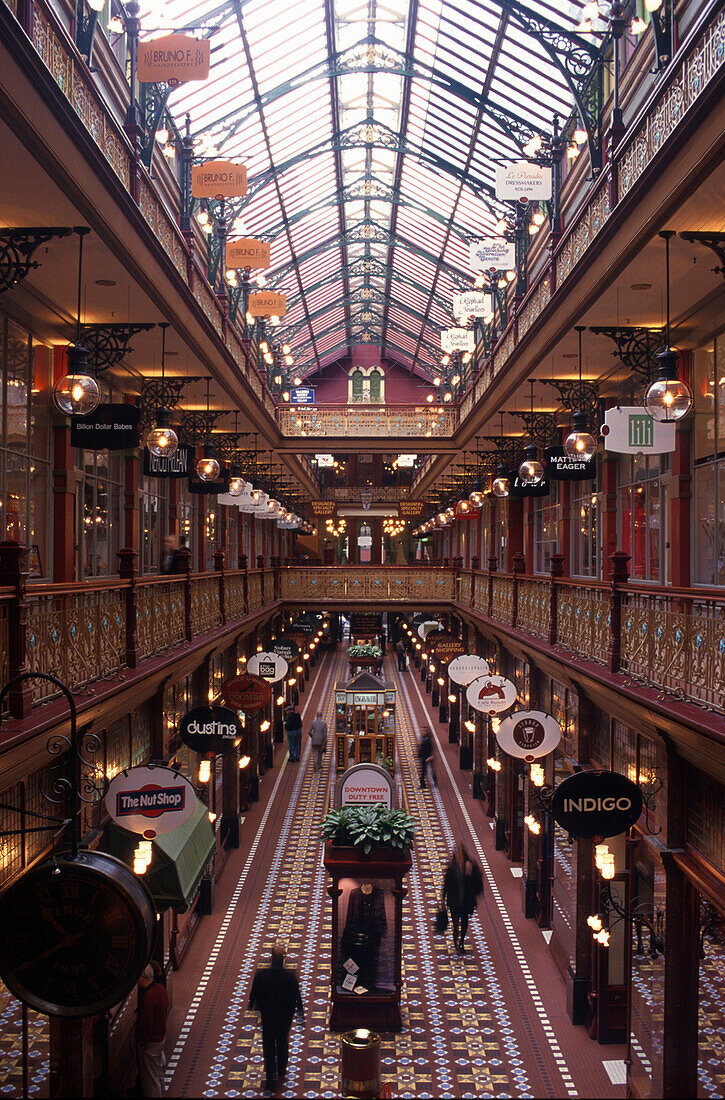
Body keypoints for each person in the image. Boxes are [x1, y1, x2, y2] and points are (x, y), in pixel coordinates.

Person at [248, 944, 304, 1092]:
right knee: (282, 1040)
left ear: (271, 957)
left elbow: (254, 993)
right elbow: (297, 995)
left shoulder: (261, 974)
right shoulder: (289, 976)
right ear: (283, 959)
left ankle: (270, 1074)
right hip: (285, 1016)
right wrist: (300, 1013)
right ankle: (281, 1069)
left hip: (268, 1014)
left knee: (268, 1043)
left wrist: (252, 1006)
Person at [441, 843, 484, 954]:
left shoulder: (470, 865)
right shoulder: (452, 867)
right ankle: (456, 941)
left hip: (466, 900)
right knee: (455, 924)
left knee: (464, 923)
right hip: (454, 899)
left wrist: (468, 874)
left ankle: (462, 942)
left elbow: (477, 880)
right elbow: (447, 883)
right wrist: (443, 897)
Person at [136, 963, 169, 1097]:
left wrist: (142, 1042)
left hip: (151, 1042)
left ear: (142, 979)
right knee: (158, 1071)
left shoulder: (149, 998)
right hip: (160, 1037)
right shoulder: (160, 989)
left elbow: (146, 1024)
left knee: (150, 1079)